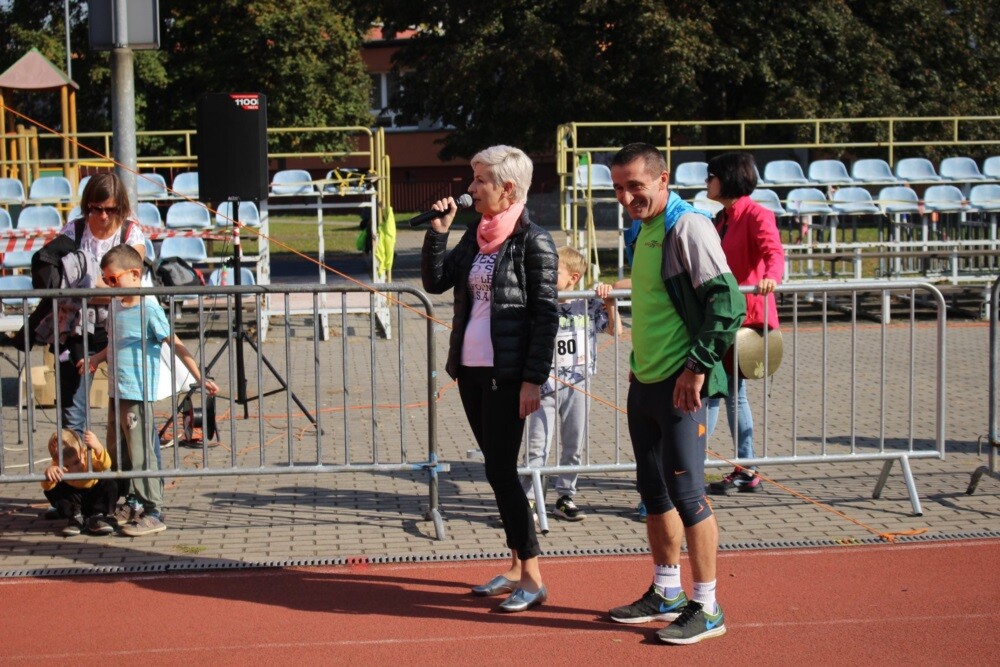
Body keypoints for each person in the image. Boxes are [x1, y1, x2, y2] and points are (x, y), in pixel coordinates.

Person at [606, 143, 744, 645]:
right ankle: (666, 592)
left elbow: (729, 305)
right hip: (646, 382)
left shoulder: (688, 226)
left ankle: (707, 605)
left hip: (683, 386)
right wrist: (640, 366)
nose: (626, 197)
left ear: (662, 181)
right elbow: (654, 304)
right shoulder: (641, 228)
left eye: (635, 186)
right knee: (653, 492)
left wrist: (695, 367)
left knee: (689, 495)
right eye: (619, 187)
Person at [421, 145, 558, 613]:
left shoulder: (533, 241)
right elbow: (436, 282)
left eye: (480, 180)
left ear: (508, 189)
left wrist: (532, 379)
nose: (470, 188)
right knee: (496, 470)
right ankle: (517, 565)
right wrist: (438, 233)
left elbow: (545, 316)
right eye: (472, 178)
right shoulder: (476, 234)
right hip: (472, 370)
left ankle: (534, 576)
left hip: (508, 374)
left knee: (501, 470)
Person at [80, 245, 219, 537]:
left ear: (134, 274)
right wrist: (95, 358)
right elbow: (115, 343)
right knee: (120, 452)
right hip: (116, 392)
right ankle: (130, 502)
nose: (109, 286)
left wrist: (199, 376)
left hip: (138, 393)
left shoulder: (149, 309)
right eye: (106, 280)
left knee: (143, 453)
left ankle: (153, 509)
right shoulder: (116, 306)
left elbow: (175, 342)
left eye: (114, 279)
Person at [704, 152, 785, 495]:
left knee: (726, 393)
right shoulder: (719, 218)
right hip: (723, 316)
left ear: (728, 178)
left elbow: (774, 253)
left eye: (711, 176)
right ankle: (743, 466)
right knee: (723, 392)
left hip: (745, 319)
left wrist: (770, 278)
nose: (706, 182)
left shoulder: (755, 214)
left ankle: (740, 466)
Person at [520, 245, 620, 521]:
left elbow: (615, 330)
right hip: (544, 387)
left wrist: (610, 303)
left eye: (555, 272)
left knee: (573, 444)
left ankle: (565, 496)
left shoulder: (586, 303)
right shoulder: (539, 301)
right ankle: (527, 498)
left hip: (578, 385)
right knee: (536, 445)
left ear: (573, 278)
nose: (547, 276)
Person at [56, 173, 147, 438]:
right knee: (73, 410)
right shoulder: (72, 231)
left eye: (110, 209)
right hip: (77, 329)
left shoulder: (131, 233)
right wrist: (107, 287)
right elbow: (63, 284)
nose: (104, 216)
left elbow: (130, 287)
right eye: (96, 209)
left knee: (129, 410)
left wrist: (87, 287)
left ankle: (130, 474)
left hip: (120, 327)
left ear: (121, 207)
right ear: (87, 205)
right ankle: (78, 477)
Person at [40, 429, 118, 537]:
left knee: (110, 483)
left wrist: (98, 447)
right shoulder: (56, 464)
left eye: (77, 462)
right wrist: (49, 473)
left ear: (83, 452)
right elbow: (47, 488)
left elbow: (105, 465)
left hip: (94, 498)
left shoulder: (88, 456)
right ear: (57, 461)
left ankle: (98, 517)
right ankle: (75, 518)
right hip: (74, 502)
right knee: (54, 489)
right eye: (66, 466)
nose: (74, 469)